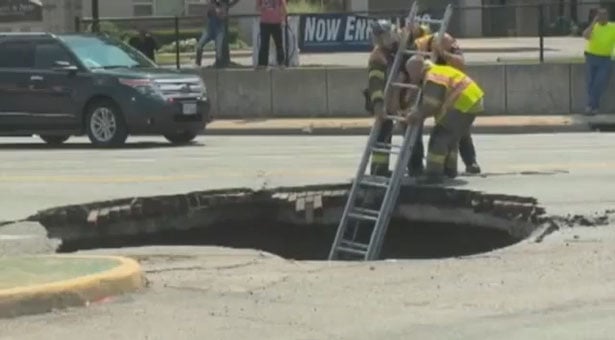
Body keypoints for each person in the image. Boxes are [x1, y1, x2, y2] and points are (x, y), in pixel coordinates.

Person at [405, 22, 482, 175]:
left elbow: (431, 104)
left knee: (442, 136)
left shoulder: (434, 71)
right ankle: (447, 169)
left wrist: (417, 113)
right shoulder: (417, 49)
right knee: (449, 134)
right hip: (461, 98)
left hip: (459, 98)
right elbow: (414, 80)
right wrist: (412, 107)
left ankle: (435, 175)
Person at [364, 19, 403, 177]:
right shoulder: (378, 57)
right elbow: (375, 85)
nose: (390, 37)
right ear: (379, 37)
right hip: (382, 103)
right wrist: (379, 106)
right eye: (387, 35)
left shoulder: (390, 52)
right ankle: (378, 170)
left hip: (390, 101)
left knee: (386, 133)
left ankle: (381, 169)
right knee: (382, 134)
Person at [582, 7, 615, 115]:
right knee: (591, 83)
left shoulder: (612, 27)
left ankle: (590, 105)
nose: (602, 18)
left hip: (605, 59)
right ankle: (593, 107)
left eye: (604, 15)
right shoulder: (594, 27)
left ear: (607, 16)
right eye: (600, 15)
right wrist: (593, 23)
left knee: (599, 83)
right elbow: (585, 35)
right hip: (591, 57)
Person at [256, 0, 287, 68]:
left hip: (276, 23)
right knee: (264, 44)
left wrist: (284, 19)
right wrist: (262, 7)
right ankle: (262, 64)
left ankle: (281, 63)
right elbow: (257, 8)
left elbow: (284, 6)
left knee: (279, 44)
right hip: (264, 23)